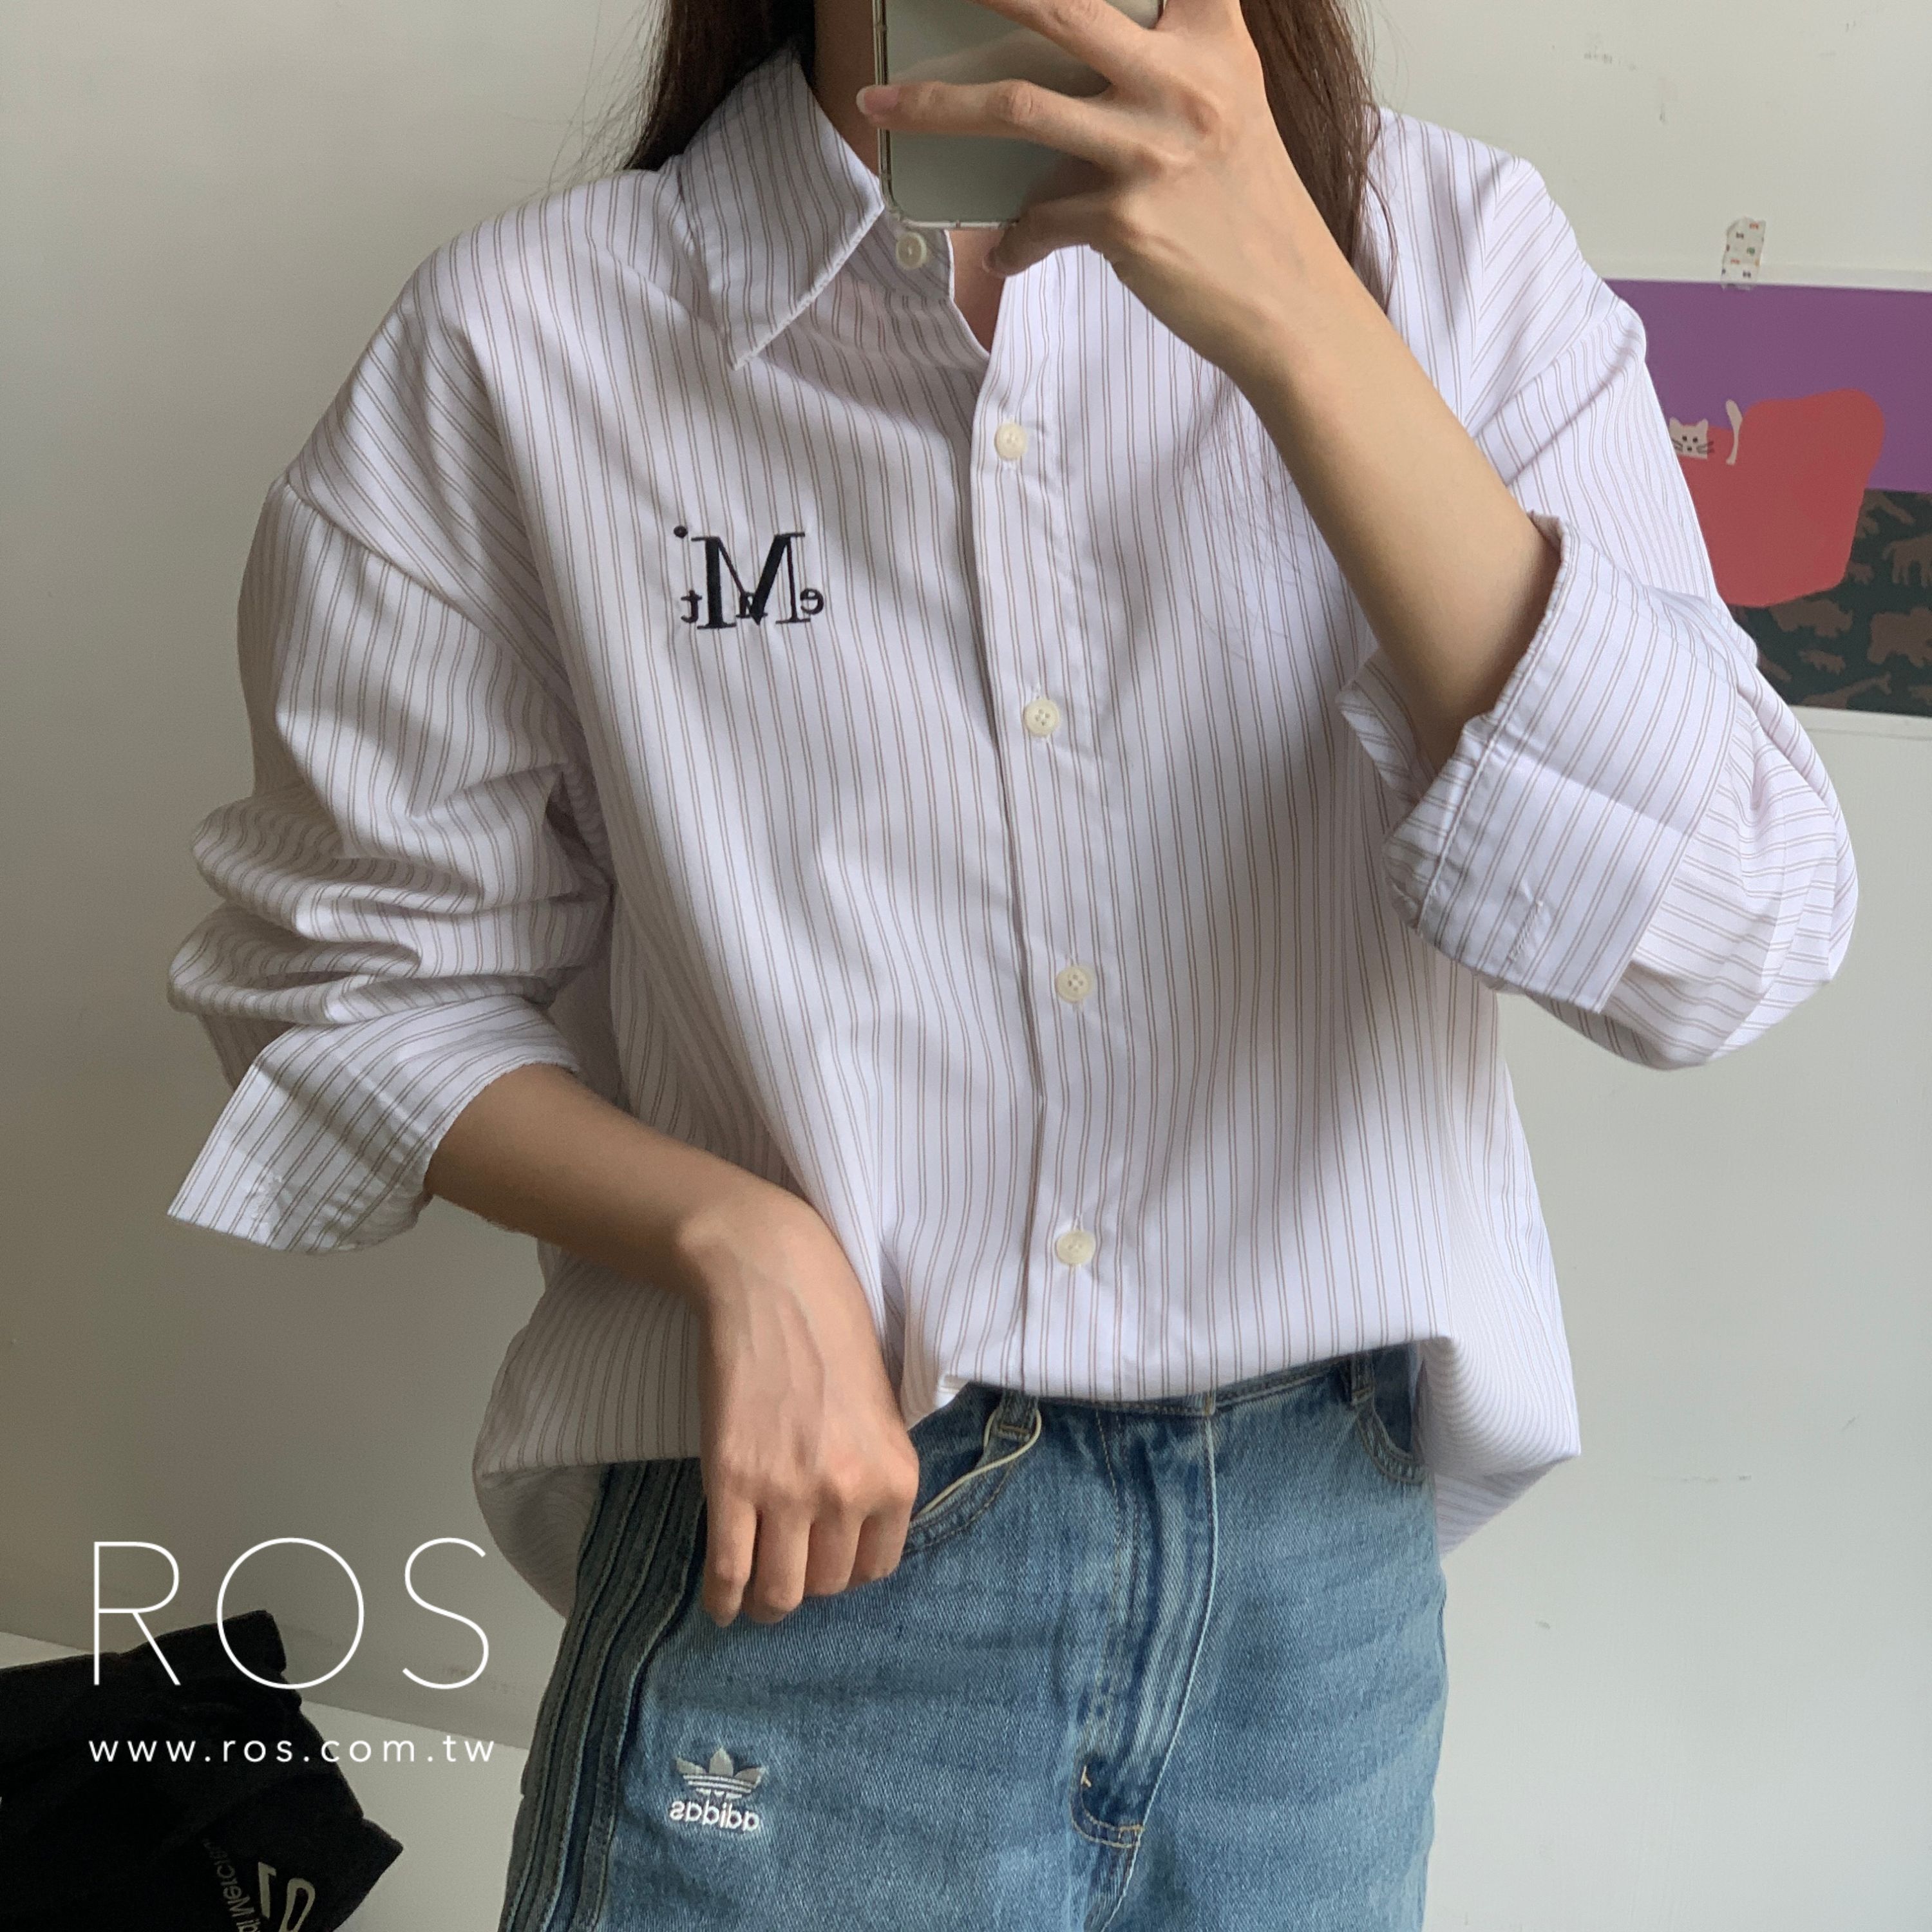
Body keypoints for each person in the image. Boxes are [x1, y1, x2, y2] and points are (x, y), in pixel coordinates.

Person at [163, 0, 1858, 1925]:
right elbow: (345, 983)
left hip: (1315, 1629)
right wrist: (731, 1234)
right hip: (814, 1564)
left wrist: (1305, 321)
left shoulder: (1453, 263)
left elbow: (1723, 939)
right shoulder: (533, 336)